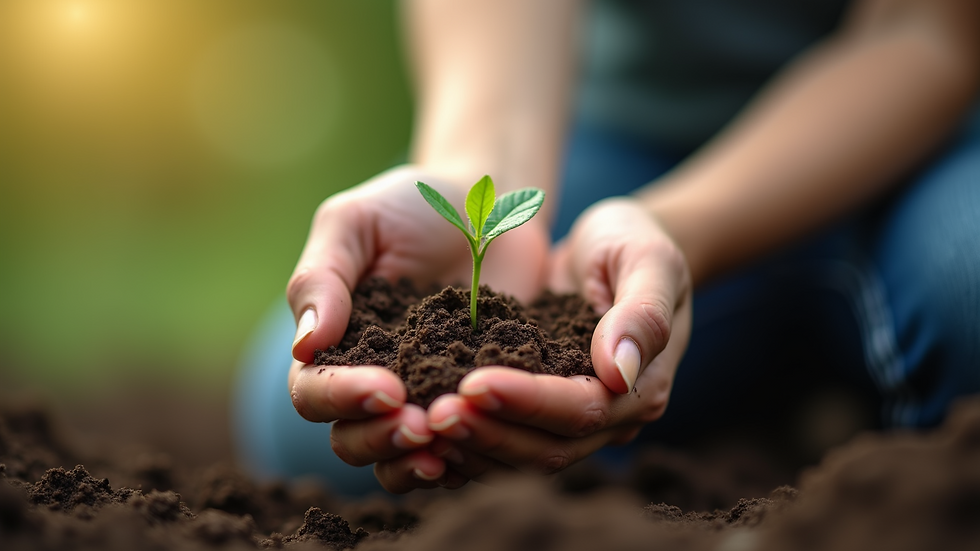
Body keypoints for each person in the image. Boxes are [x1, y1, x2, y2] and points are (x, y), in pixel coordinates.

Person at [234, 0, 980, 495]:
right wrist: (475, 166)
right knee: (324, 401)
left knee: (969, 283)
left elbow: (924, 30)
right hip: (628, 136)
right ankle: (762, 420)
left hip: (913, 145)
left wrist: (682, 230)